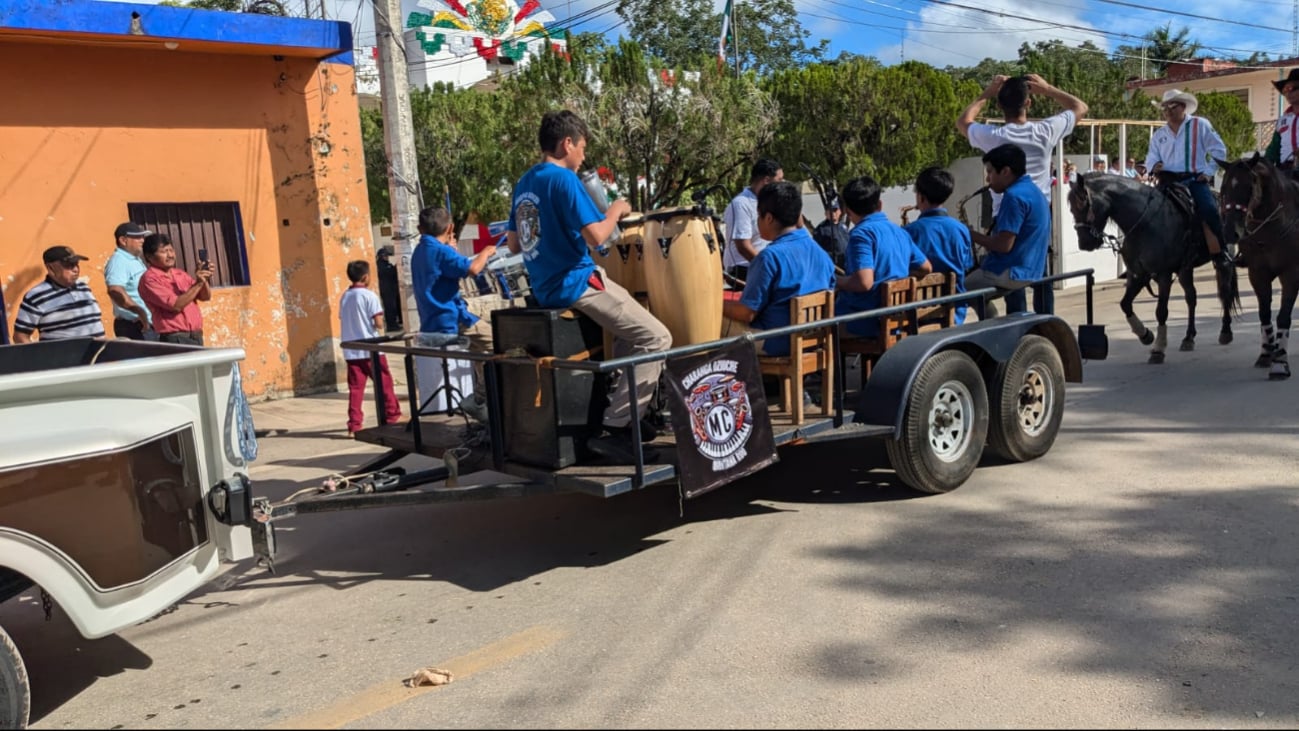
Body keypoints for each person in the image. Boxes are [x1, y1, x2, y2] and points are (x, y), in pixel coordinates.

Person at [505, 110, 672, 463]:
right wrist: (616, 210)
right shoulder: (564, 180)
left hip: (545, 286)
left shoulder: (524, 183)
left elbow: (514, 245)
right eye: (582, 147)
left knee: (629, 330)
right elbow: (598, 237)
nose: (583, 157)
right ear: (567, 143)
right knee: (657, 338)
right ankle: (617, 429)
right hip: (576, 281)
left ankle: (630, 415)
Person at [722, 181, 836, 356]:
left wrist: (715, 304)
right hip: (814, 339)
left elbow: (747, 313)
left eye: (758, 216)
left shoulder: (768, 257)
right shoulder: (820, 253)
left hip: (776, 341)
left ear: (768, 218)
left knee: (713, 321)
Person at [410, 207, 497, 421]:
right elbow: (474, 269)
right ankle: (480, 399)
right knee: (501, 344)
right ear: (450, 228)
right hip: (452, 318)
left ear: (419, 229)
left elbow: (446, 271)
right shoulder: (442, 252)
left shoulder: (420, 251)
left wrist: (451, 249)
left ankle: (479, 397)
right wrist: (486, 251)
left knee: (481, 352)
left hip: (430, 320)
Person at [957, 74, 1089, 198]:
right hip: (1039, 214)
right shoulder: (1046, 131)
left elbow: (963, 122)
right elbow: (1080, 107)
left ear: (999, 106)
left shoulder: (993, 137)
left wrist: (988, 93)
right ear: (1028, 103)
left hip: (1004, 213)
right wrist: (1048, 89)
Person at [1144, 88, 1232, 268]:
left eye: (1172, 106)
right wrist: (1154, 166)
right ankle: (1145, 257)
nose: (1167, 111)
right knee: (1147, 211)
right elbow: (1150, 157)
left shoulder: (1200, 125)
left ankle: (1221, 252)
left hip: (1194, 180)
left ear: (1183, 107)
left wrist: (1207, 172)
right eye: (1165, 108)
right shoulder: (1159, 134)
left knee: (1209, 209)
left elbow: (1219, 150)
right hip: (1168, 181)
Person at [837, 175, 932, 339]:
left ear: (848, 212)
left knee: (818, 328)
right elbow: (926, 268)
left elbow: (863, 282)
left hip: (866, 321)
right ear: (880, 205)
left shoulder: (861, 234)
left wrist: (835, 281)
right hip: (897, 319)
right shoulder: (900, 232)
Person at [965, 144, 1051, 320]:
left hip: (1012, 271)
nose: (988, 179)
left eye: (990, 172)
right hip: (1033, 268)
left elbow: (1003, 245)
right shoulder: (1034, 191)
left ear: (1005, 171)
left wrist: (970, 235)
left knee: (961, 288)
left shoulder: (1013, 197)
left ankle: (991, 327)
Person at [904, 167, 974, 325]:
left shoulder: (909, 232)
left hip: (918, 314)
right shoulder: (961, 229)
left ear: (921, 197)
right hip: (954, 311)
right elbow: (967, 265)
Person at [339, 260, 402, 437]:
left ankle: (354, 424)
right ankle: (393, 415)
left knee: (356, 389)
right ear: (366, 277)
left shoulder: (345, 296)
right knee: (384, 384)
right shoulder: (369, 296)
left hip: (352, 349)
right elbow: (379, 323)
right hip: (371, 349)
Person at [12, 246, 105, 343]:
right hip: (63, 357)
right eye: (69, 265)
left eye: (76, 264)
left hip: (100, 355)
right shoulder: (36, 296)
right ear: (50, 268)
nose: (75, 269)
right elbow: (20, 336)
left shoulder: (83, 288)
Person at [139, 232, 210, 346]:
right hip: (175, 338)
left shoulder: (180, 274)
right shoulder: (149, 279)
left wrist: (203, 278)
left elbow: (205, 297)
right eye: (164, 252)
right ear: (149, 256)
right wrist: (198, 283)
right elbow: (175, 305)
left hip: (196, 336)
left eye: (171, 250)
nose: (170, 255)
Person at [722, 159, 784, 283]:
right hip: (743, 271)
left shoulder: (768, 201)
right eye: (779, 180)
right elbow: (743, 247)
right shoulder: (741, 204)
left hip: (764, 265)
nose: (782, 184)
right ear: (766, 181)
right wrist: (769, 267)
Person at [104, 221, 153, 340]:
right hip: (134, 325)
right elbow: (115, 290)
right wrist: (140, 312)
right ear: (123, 240)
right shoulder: (119, 261)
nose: (142, 240)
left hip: (145, 323)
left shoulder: (133, 260)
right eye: (137, 237)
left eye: (142, 237)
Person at [1265, 68, 1299, 170]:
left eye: (1291, 88)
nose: (1287, 93)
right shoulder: (1282, 120)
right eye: (1284, 90)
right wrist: (1264, 163)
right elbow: (1274, 147)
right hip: (1285, 168)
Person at [811, 197, 850, 269]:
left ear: (840, 212)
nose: (833, 213)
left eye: (835, 210)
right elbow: (817, 251)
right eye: (830, 210)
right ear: (826, 213)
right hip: (834, 267)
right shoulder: (821, 229)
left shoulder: (843, 226)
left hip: (847, 263)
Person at [375, 245, 403, 332]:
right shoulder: (381, 265)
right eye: (385, 256)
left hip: (391, 289)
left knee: (393, 308)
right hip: (387, 290)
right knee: (390, 308)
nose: (387, 257)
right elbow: (390, 273)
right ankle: (391, 325)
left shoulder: (386, 264)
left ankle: (395, 323)